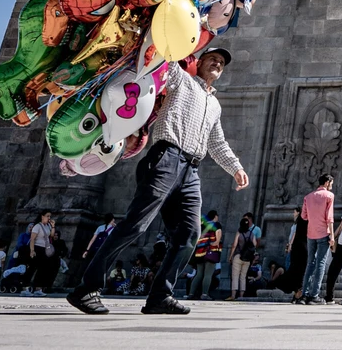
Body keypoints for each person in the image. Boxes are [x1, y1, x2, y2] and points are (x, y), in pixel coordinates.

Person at [67, 48, 249, 315]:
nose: (218, 63)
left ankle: (160, 296)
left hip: (191, 170)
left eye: (222, 62)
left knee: (189, 234)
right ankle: (86, 288)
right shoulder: (181, 79)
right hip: (166, 158)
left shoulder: (215, 104)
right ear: (198, 63)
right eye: (213, 59)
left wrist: (236, 167)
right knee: (135, 225)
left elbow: (217, 142)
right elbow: (166, 59)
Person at [300, 173, 336, 305]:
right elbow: (330, 217)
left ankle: (304, 294)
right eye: (331, 183)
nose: (331, 186)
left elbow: (304, 216)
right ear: (327, 183)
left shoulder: (308, 197)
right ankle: (314, 295)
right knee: (320, 263)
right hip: (323, 233)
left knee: (310, 263)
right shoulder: (329, 196)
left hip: (311, 234)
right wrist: (332, 236)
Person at [189, 211, 223, 300]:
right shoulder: (216, 224)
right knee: (208, 274)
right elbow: (218, 235)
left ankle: (191, 294)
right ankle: (204, 294)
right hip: (211, 251)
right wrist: (216, 242)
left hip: (200, 252)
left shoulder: (201, 226)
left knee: (199, 274)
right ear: (215, 216)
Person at [22, 210, 56, 296]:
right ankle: (25, 288)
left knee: (42, 269)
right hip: (37, 248)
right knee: (32, 268)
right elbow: (32, 239)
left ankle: (38, 288)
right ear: (42, 216)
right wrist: (32, 250)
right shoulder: (37, 226)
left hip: (44, 249)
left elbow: (51, 235)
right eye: (47, 216)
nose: (49, 218)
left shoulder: (47, 226)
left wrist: (53, 226)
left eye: (50, 216)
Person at [278, 206, 308, 301]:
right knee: (301, 271)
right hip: (303, 246)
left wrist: (291, 244)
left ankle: (296, 294)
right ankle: (298, 294)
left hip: (297, 247)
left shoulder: (299, 219)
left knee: (295, 269)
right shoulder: (309, 219)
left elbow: (296, 233)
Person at [227, 215, 258, 300]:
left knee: (235, 276)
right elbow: (255, 245)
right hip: (247, 258)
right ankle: (241, 295)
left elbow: (234, 245)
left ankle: (233, 295)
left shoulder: (239, 233)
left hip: (238, 256)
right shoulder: (252, 234)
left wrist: (230, 256)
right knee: (243, 277)